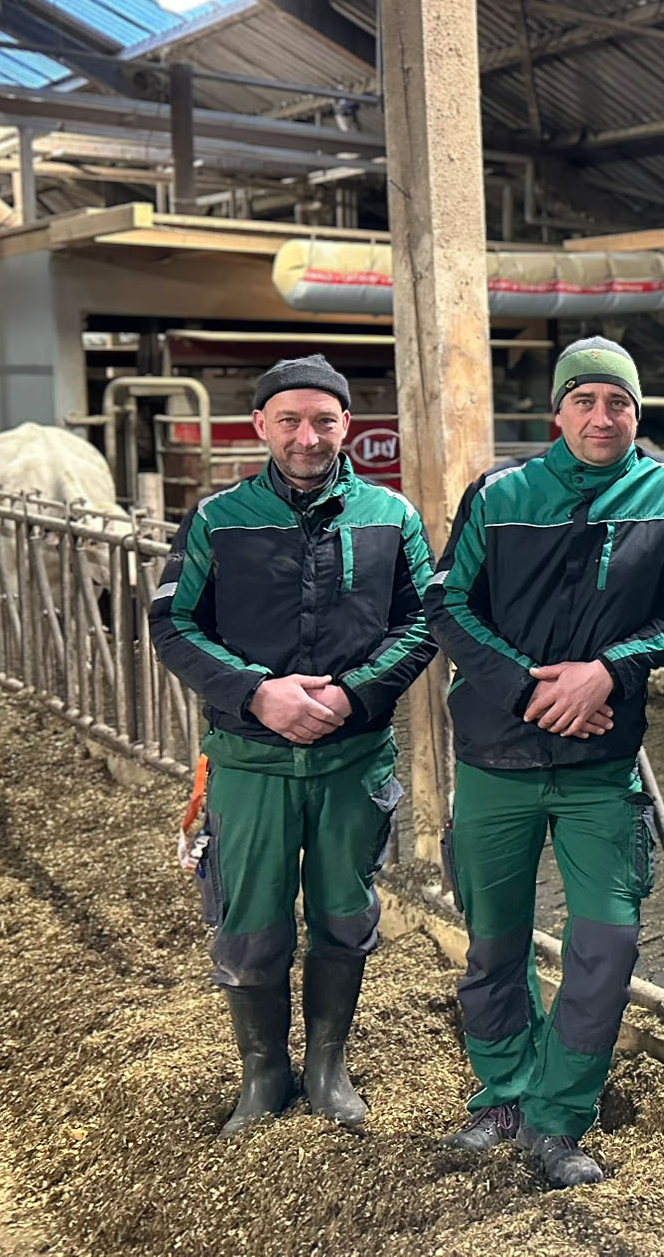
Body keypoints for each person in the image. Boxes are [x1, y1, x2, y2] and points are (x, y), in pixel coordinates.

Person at [427, 336, 664, 1188]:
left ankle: (558, 1119)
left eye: (618, 403)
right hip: (497, 755)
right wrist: (525, 690)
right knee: (495, 943)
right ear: (557, 412)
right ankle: (502, 1095)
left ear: (638, 415)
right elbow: (446, 602)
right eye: (585, 400)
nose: (603, 417)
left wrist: (609, 672)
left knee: (608, 943)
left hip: (600, 768)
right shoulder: (501, 492)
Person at [151, 355, 436, 1136]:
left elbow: (420, 622)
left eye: (324, 420)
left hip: (353, 754)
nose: (307, 437)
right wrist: (257, 691)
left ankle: (327, 1064)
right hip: (250, 758)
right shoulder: (219, 519)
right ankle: (263, 1071)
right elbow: (173, 623)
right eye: (289, 420)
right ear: (261, 427)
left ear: (349, 425)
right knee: (250, 919)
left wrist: (353, 692)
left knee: (346, 912)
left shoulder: (392, 518)